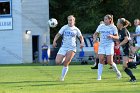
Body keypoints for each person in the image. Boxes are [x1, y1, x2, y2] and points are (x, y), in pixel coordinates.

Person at [53, 15, 84, 81]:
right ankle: (64, 58)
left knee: (66, 62)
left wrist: (82, 43)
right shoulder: (64, 27)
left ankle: (62, 78)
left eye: (71, 20)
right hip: (63, 47)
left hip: (72, 47)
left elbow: (81, 37)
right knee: (57, 62)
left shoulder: (76, 29)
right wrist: (54, 41)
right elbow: (58, 34)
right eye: (69, 20)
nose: (70, 21)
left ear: (74, 21)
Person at [93, 14, 122, 80]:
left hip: (109, 45)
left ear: (110, 20)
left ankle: (118, 73)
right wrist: (94, 38)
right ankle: (99, 77)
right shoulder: (101, 26)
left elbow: (117, 37)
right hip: (102, 45)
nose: (104, 20)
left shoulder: (113, 27)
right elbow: (95, 34)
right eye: (104, 19)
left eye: (106, 19)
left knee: (110, 62)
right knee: (101, 60)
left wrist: (112, 36)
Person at [116, 18, 140, 82]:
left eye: (117, 22)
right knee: (125, 66)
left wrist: (119, 45)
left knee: (125, 65)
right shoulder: (121, 30)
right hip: (126, 49)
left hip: (128, 49)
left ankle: (133, 77)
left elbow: (126, 39)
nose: (116, 23)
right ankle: (133, 78)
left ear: (120, 24)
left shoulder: (123, 30)